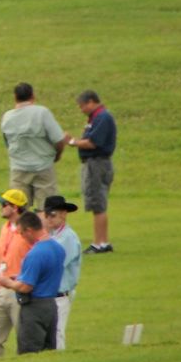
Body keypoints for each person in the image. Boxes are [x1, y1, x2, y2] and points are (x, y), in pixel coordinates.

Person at [65, 90, 117, 253]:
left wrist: (72, 142)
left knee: (97, 204)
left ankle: (99, 243)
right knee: (98, 204)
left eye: (82, 106)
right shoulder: (97, 117)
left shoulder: (102, 117)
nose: (81, 110)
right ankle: (102, 242)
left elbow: (93, 142)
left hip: (97, 164)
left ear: (91, 102)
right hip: (96, 163)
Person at [0, 190, 29, 359]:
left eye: (4, 204)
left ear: (15, 207)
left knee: (24, 336)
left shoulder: (29, 230)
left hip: (20, 288)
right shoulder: (5, 228)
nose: (0, 208)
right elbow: (3, 258)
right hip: (1, 288)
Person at [6, 213, 63, 355]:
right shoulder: (58, 248)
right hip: (51, 305)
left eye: (22, 233)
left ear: (29, 230)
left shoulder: (35, 254)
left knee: (29, 352)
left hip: (34, 308)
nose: (22, 237)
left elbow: (26, 286)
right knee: (48, 352)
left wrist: (7, 282)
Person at [1, 84, 66, 207]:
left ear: (15, 97)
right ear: (33, 96)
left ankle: (22, 227)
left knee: (18, 208)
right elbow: (59, 140)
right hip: (43, 166)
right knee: (46, 209)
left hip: (19, 168)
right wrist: (57, 155)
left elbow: (8, 143)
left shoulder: (7, 117)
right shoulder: (42, 113)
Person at [36, 195, 83, 350]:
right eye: (46, 215)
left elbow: (54, 264)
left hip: (60, 294)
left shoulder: (68, 237)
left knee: (57, 333)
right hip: (48, 295)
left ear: (63, 214)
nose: (48, 219)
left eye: (52, 215)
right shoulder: (52, 235)